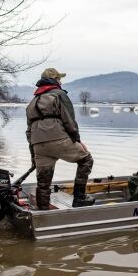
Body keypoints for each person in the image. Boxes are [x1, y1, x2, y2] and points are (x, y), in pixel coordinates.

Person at [26, 68, 94, 209]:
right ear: (55, 80)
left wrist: (34, 154)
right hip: (58, 140)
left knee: (43, 183)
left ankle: (43, 212)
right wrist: (78, 141)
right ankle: (79, 198)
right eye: (59, 79)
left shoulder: (32, 102)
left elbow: (28, 131)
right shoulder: (59, 94)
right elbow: (69, 121)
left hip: (38, 144)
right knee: (86, 160)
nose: (61, 81)